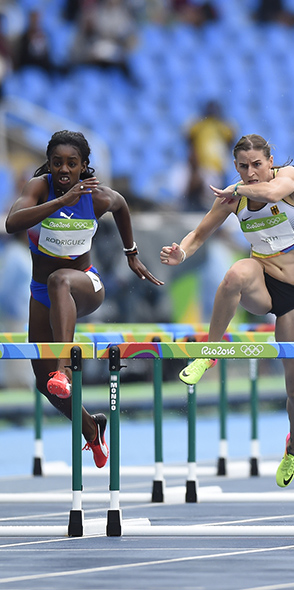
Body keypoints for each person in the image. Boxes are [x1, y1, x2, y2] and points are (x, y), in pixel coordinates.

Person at [160, 134, 294, 488]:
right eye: (243, 167)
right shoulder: (235, 196)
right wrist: (182, 252)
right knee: (234, 274)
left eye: (257, 165)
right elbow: (199, 233)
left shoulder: (288, 178)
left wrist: (240, 190)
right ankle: (209, 352)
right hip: (261, 280)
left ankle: (293, 446)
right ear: (236, 166)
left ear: (270, 161)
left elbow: (272, 194)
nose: (251, 173)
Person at [3, 130, 163, 468]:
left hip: (85, 285)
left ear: (83, 166)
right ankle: (93, 429)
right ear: (48, 164)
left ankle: (64, 369)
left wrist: (131, 253)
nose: (64, 169)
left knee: (60, 278)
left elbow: (121, 206)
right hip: (42, 292)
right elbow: (12, 223)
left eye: (71, 164)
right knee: (45, 386)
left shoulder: (97, 197)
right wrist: (61, 201)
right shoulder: (39, 189)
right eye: (57, 162)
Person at [185, 100, 236, 189]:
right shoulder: (200, 125)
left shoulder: (222, 127)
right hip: (201, 167)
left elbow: (232, 139)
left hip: (214, 170)